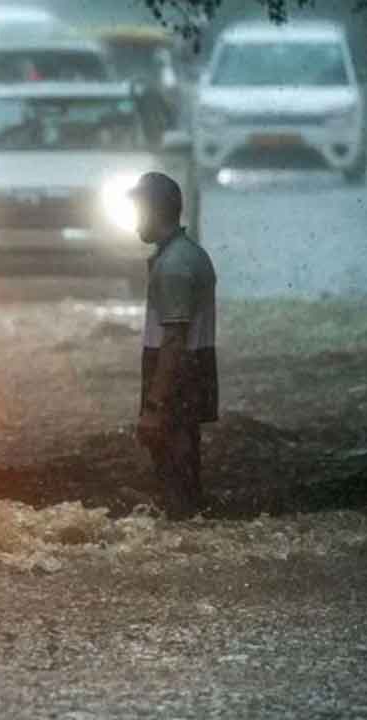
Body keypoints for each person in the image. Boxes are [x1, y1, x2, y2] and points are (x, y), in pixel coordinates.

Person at [130, 172, 218, 520]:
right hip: (192, 370)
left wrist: (154, 406)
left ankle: (185, 523)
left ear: (153, 211)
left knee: (172, 463)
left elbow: (173, 340)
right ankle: (191, 519)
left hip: (175, 376)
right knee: (183, 457)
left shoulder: (175, 266)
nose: (134, 221)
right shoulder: (187, 255)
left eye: (138, 211)